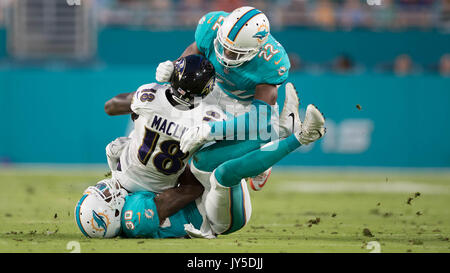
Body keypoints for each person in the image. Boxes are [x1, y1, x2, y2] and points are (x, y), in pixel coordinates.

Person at [75, 83, 326, 238]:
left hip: (206, 200)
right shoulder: (135, 216)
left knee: (203, 159)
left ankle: (280, 132)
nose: (103, 189)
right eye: (105, 198)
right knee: (218, 172)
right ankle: (299, 137)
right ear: (112, 215)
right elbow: (192, 188)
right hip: (216, 218)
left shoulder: (128, 202)